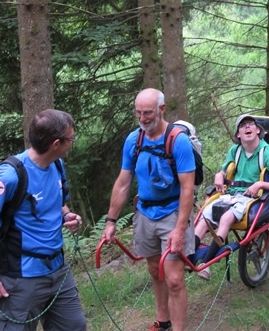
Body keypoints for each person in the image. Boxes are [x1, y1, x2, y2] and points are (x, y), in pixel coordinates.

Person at [102, 89, 195, 331]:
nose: (143, 118)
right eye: (139, 113)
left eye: (148, 113)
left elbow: (187, 189)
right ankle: (163, 321)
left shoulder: (178, 140)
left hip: (173, 213)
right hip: (145, 213)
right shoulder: (134, 140)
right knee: (155, 270)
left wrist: (179, 229)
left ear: (162, 110)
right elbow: (123, 183)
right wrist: (111, 221)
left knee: (174, 278)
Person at [0, 109, 86, 331]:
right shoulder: (11, 175)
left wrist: (67, 215)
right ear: (56, 143)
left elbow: (56, 201)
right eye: (71, 139)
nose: (72, 143)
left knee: (74, 327)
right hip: (20, 278)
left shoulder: (56, 164)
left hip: (58, 271)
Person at [192, 115, 269, 275]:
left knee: (226, 217)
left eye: (251, 124)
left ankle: (206, 264)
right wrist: (219, 175)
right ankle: (189, 257)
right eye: (243, 125)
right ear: (238, 134)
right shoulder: (235, 150)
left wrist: (261, 184)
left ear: (258, 130)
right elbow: (224, 170)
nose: (247, 127)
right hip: (231, 194)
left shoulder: (267, 153)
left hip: (253, 199)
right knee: (205, 216)